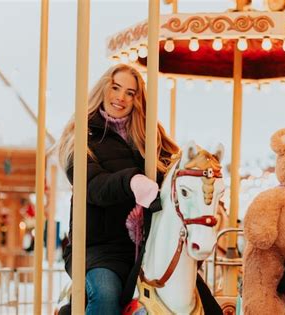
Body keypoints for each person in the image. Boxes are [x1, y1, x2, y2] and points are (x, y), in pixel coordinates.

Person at [58, 64, 222, 315]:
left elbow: (175, 179)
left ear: (137, 99)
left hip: (149, 249)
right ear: (104, 89)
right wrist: (131, 181)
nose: (121, 97)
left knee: (206, 302)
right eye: (115, 88)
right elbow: (92, 186)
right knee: (105, 294)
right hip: (98, 249)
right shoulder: (82, 139)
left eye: (130, 92)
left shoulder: (149, 137)